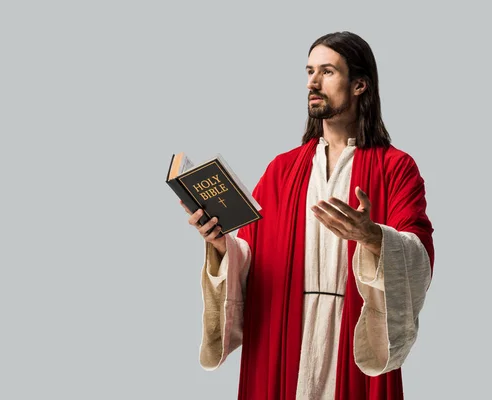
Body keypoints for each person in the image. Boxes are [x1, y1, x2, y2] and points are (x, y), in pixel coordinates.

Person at [180, 31, 435, 400]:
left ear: (360, 85)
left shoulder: (396, 168)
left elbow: (419, 256)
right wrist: (221, 245)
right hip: (285, 333)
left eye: (327, 72)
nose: (312, 83)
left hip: (351, 335)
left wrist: (374, 238)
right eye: (310, 71)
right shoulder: (282, 170)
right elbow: (251, 255)